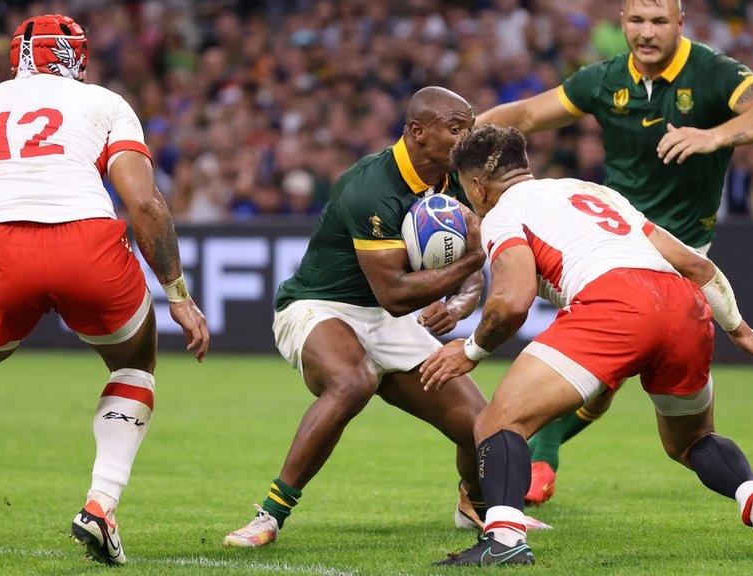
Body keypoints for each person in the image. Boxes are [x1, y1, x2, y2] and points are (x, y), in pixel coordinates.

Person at [0, 14, 210, 571]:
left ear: (15, 59)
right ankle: (101, 505)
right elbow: (145, 204)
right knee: (133, 367)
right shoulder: (104, 103)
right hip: (90, 247)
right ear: (77, 57)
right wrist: (178, 294)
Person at [421, 125, 753, 566]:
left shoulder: (502, 213)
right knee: (693, 441)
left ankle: (506, 541)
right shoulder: (594, 191)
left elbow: (512, 302)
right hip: (682, 304)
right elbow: (695, 265)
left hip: (614, 302)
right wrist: (739, 328)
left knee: (497, 422)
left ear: (477, 185)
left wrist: (469, 350)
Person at [476, 0, 753, 504]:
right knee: (605, 386)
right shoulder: (604, 80)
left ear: (680, 24)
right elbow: (521, 115)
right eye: (636, 21)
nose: (646, 34)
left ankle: (529, 466)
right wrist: (456, 137)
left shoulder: (713, 73)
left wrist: (712, 135)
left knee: (598, 381)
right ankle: (539, 460)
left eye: (658, 22)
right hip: (606, 242)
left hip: (673, 251)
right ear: (622, 22)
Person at [223, 87, 546, 548]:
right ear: (418, 132)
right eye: (457, 130)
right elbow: (397, 292)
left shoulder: (455, 180)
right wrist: (471, 265)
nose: (467, 138)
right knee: (353, 381)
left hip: (386, 318)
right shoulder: (370, 187)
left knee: (485, 427)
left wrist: (459, 303)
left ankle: (474, 503)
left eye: (470, 128)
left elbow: (469, 275)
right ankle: (269, 515)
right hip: (320, 306)